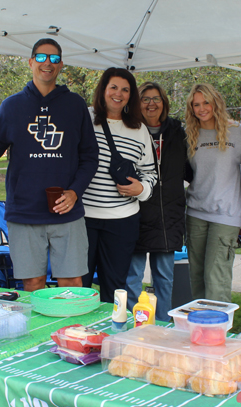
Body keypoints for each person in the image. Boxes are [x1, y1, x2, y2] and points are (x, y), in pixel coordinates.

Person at [0, 38, 99, 292]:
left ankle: (70, 332)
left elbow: (90, 156)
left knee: (72, 283)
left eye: (53, 58)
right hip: (24, 212)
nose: (46, 63)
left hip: (66, 211)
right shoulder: (11, 106)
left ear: (61, 65)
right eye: (40, 57)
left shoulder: (75, 105)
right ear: (30, 63)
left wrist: (75, 192)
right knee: (32, 284)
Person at [82, 68, 157, 303]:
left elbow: (151, 173)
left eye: (125, 90)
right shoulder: (83, 118)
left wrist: (142, 190)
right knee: (79, 284)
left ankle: (108, 335)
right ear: (103, 89)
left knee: (114, 286)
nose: (118, 93)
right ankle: (75, 335)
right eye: (113, 87)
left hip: (122, 221)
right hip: (82, 217)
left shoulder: (139, 128)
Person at [125, 81, 187, 321]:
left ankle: (161, 328)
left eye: (156, 99)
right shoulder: (129, 130)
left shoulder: (178, 132)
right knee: (132, 277)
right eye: (145, 99)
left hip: (168, 216)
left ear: (164, 103)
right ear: (137, 104)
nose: (151, 104)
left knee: (164, 278)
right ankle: (133, 325)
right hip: (135, 213)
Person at [185, 83, 241, 303]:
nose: (202, 108)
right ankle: (199, 330)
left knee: (216, 279)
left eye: (206, 102)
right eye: (196, 104)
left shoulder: (235, 131)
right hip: (195, 214)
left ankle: (217, 332)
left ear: (216, 102)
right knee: (197, 278)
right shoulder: (190, 134)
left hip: (225, 216)